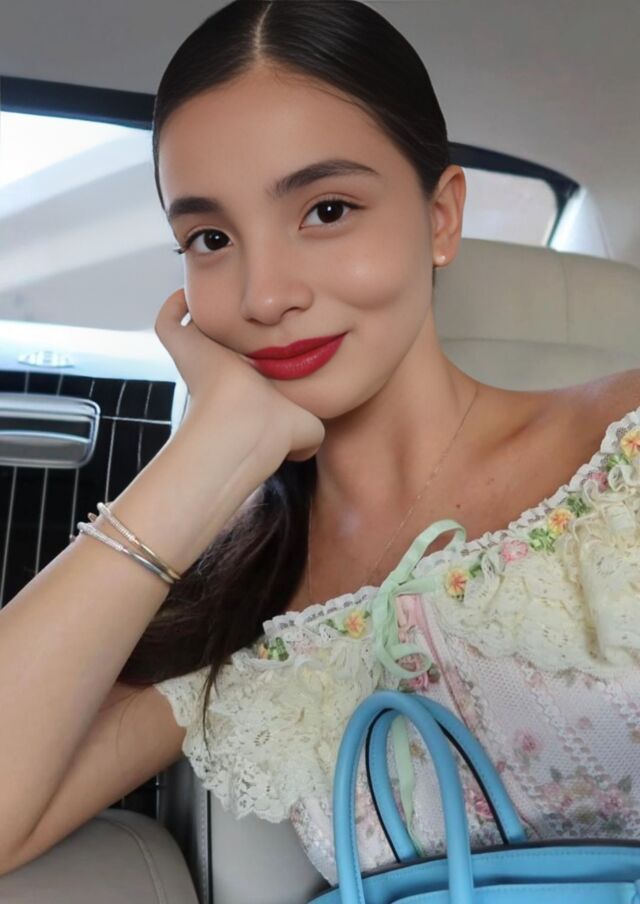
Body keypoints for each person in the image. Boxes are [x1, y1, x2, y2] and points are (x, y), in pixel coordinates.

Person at [1, 0, 640, 891]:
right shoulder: (236, 606)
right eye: (210, 239)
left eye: (327, 210)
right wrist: (207, 452)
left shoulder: (621, 458)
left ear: (441, 218)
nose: (263, 296)